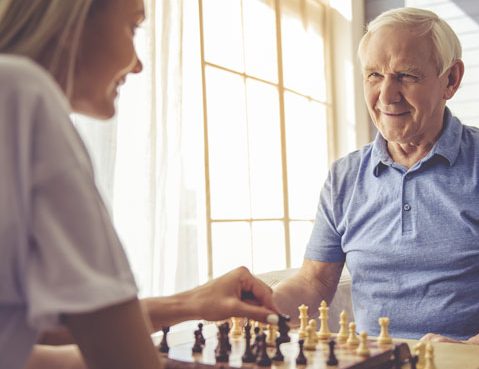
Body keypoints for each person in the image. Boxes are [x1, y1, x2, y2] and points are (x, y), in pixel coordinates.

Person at [273, 7, 479, 369]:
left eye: (406, 75)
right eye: (374, 75)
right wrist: (262, 305)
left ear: (450, 79)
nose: (386, 95)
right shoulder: (343, 177)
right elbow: (314, 282)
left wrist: (472, 351)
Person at [0, 1, 277, 369]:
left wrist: (191, 302)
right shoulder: (23, 92)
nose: (138, 64)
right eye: (133, 28)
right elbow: (124, 357)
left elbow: (23, 339)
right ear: (73, 22)